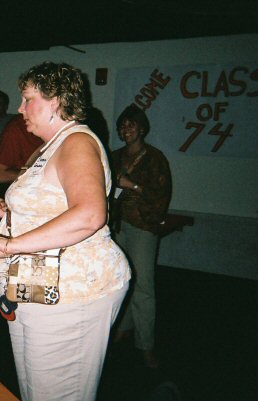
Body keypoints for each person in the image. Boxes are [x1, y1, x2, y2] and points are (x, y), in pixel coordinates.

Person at [0, 61, 131, 401]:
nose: (20, 108)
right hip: (36, 288)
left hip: (74, 293)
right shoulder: (50, 146)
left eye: (27, 99)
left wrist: (12, 244)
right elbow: (52, 204)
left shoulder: (77, 142)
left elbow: (89, 214)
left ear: (55, 100)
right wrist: (8, 210)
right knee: (34, 391)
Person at [110, 104, 172, 369]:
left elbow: (161, 196)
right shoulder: (114, 156)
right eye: (123, 125)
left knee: (144, 286)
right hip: (116, 226)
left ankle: (146, 345)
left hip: (143, 227)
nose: (126, 128)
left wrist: (130, 185)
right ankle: (125, 327)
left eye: (131, 124)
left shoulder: (155, 158)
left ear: (142, 128)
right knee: (121, 281)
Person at [0, 114, 43, 195]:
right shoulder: (16, 129)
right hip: (25, 193)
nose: (21, 109)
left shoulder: (64, 129)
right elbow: (1, 174)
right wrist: (34, 176)